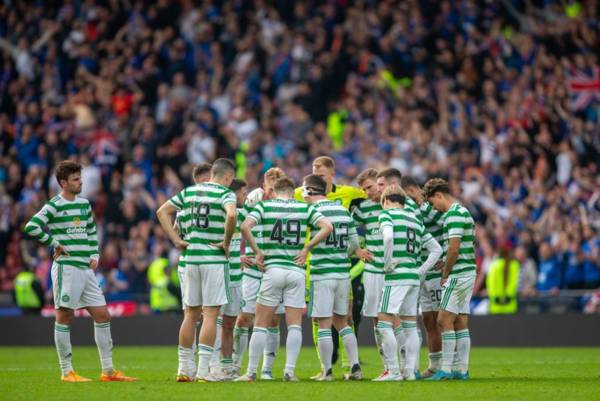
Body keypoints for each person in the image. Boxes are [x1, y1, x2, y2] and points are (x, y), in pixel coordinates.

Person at [23, 160, 136, 382]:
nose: (80, 182)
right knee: (65, 316)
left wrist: (94, 254)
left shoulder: (84, 204)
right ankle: (67, 372)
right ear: (63, 182)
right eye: (76, 179)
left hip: (85, 268)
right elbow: (31, 226)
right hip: (67, 268)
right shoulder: (54, 205)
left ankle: (108, 371)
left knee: (103, 315)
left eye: (80, 178)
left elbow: (91, 230)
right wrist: (53, 242)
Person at [236, 177, 333, 382]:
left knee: (261, 324)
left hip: (273, 269)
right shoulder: (304, 208)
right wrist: (307, 248)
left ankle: (252, 372)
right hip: (296, 270)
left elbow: (245, 227)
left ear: (276, 190)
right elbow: (327, 226)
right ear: (291, 191)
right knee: (295, 325)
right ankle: (289, 371)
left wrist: (258, 252)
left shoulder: (265, 206)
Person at [156, 158, 237, 382]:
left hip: (190, 259)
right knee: (210, 315)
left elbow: (162, 211)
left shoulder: (189, 192)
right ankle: (203, 371)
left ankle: (184, 369)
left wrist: (175, 240)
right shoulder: (225, 194)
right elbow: (232, 215)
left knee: (190, 315)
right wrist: (226, 242)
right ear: (228, 177)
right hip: (213, 259)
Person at [293, 156, 365, 375]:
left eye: (305, 191)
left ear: (310, 191)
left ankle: (326, 371)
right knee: (343, 322)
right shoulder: (343, 211)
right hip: (343, 273)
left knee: (323, 324)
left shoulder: (311, 212)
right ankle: (354, 367)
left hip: (321, 274)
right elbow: (354, 244)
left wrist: (308, 249)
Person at [373, 185, 442, 381]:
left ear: (385, 200)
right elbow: (436, 249)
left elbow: (388, 238)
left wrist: (388, 264)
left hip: (397, 275)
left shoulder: (387, 215)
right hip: (413, 277)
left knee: (384, 322)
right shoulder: (415, 219)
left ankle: (394, 371)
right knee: (410, 326)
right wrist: (420, 270)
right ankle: (410, 372)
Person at [232, 167, 287, 380]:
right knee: (244, 318)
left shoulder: (287, 206)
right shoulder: (253, 201)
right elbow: (235, 226)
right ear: (264, 186)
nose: (271, 189)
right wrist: (238, 255)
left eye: (276, 186)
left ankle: (266, 369)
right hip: (253, 271)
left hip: (275, 271)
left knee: (273, 320)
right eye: (269, 184)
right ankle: (236, 365)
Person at [423, 178, 477, 381]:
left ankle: (445, 369)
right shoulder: (464, 212)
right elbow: (464, 246)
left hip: (458, 273)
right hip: (468, 270)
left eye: (431, 202)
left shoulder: (453, 214)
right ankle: (461, 370)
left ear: (438, 195)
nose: (433, 207)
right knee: (460, 321)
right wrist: (444, 260)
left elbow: (454, 247)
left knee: (443, 320)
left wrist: (445, 272)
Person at [400, 175, 446, 378]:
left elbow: (449, 225)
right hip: (422, 270)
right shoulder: (414, 212)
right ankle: (434, 364)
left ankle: (449, 365)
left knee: (441, 319)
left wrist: (445, 256)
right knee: (428, 320)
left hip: (436, 270)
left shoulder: (431, 209)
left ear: (411, 191)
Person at [350, 168, 387, 371]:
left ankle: (409, 365)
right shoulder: (364, 208)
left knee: (400, 318)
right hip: (373, 271)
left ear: (380, 183)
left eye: (369, 187)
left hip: (396, 271)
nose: (367, 193)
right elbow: (348, 229)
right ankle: (387, 366)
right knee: (375, 317)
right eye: (363, 190)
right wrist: (357, 251)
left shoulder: (400, 204)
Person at [212, 178, 248, 380]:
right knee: (214, 320)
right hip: (217, 274)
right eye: (243, 193)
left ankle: (226, 366)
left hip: (235, 275)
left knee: (228, 322)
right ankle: (211, 364)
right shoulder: (220, 213)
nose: (245, 196)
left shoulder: (242, 214)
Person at [486, 247, 520, 314]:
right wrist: (508, 297)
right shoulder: (515, 265)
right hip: (510, 306)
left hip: (495, 306)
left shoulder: (493, 265)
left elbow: (491, 283)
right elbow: (514, 283)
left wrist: (495, 298)